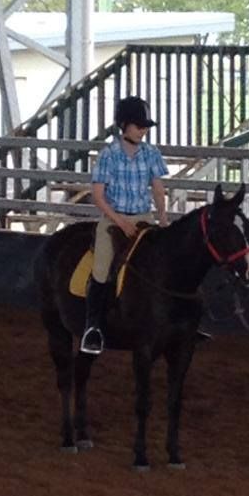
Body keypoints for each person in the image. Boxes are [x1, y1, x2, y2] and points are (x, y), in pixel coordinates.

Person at [80, 95, 169, 355]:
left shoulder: (151, 153)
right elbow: (98, 196)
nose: (143, 130)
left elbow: (158, 188)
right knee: (101, 268)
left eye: (145, 126)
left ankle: (177, 319)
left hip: (144, 217)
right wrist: (119, 221)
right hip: (113, 218)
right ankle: (93, 328)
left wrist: (163, 217)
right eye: (139, 125)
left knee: (167, 262)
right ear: (124, 125)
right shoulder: (108, 155)